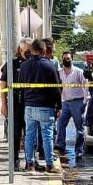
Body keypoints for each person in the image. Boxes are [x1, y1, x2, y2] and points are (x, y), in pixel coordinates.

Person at [19, 38, 62, 173]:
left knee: (29, 136)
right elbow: (56, 88)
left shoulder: (24, 66)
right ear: (44, 50)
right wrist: (59, 106)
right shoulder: (50, 66)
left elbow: (20, 86)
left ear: (31, 50)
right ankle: (49, 165)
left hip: (29, 106)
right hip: (45, 106)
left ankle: (30, 164)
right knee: (47, 136)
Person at [0, 37, 32, 171]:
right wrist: (4, 104)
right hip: (16, 103)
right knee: (15, 134)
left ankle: (30, 162)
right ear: (20, 49)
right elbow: (3, 83)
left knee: (30, 134)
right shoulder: (12, 63)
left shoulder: (34, 63)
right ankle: (14, 161)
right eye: (27, 50)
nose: (29, 53)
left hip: (30, 103)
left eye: (31, 50)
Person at [56, 51, 89, 167]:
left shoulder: (79, 72)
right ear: (62, 59)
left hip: (77, 102)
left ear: (72, 59)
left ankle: (78, 150)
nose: (66, 60)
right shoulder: (59, 72)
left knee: (79, 128)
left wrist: (84, 102)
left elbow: (85, 87)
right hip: (64, 102)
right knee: (60, 124)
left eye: (68, 58)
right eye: (65, 58)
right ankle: (60, 145)